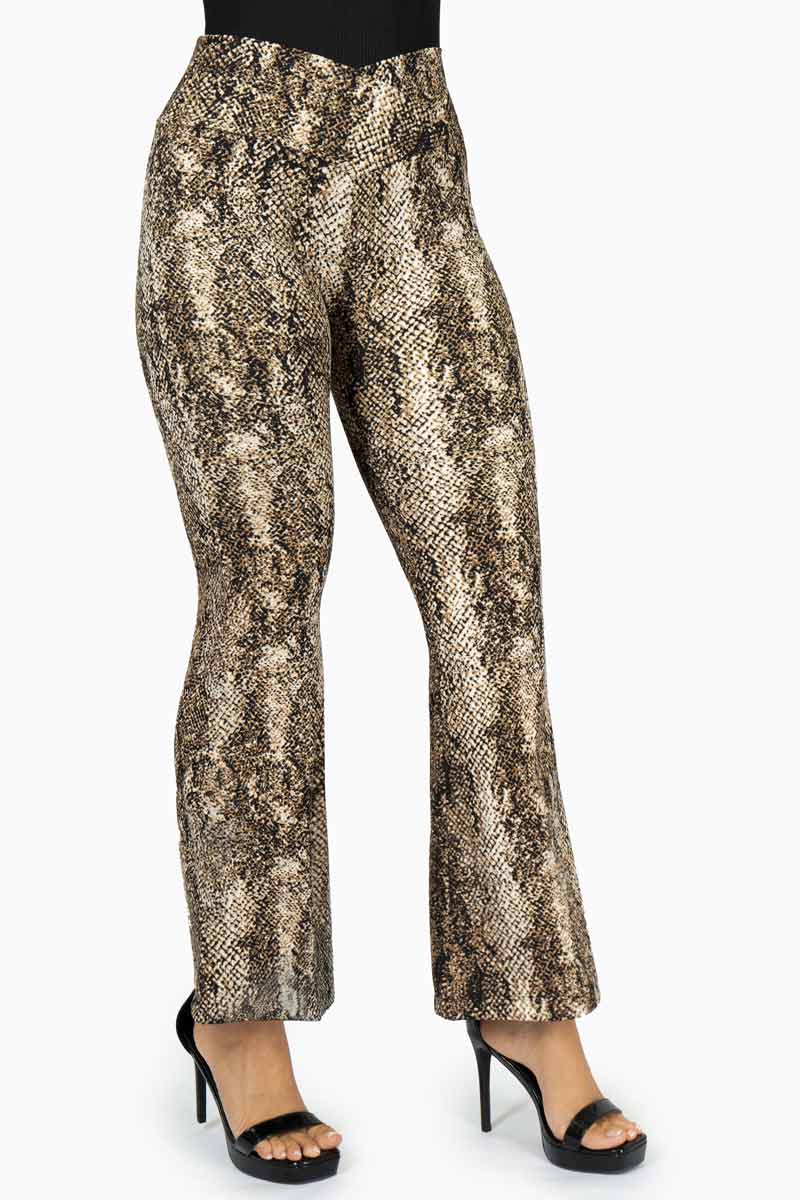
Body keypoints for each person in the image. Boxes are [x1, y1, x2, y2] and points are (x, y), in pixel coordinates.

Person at [136, 1, 645, 1182]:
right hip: (235, 162)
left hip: (415, 153)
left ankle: (523, 997)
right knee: (263, 600)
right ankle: (238, 1016)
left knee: (491, 597)